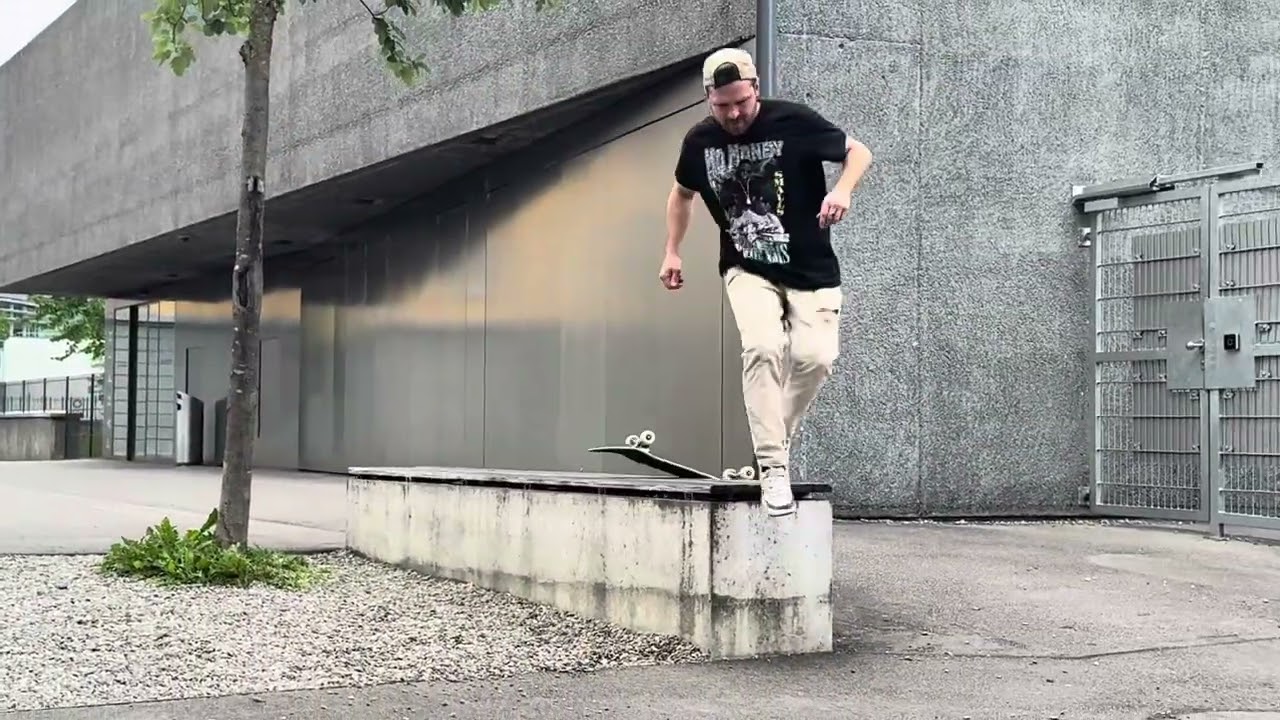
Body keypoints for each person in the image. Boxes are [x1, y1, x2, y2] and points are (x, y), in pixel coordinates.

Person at [660, 47, 873, 517]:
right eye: (722, 106)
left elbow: (858, 152)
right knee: (762, 348)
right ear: (708, 100)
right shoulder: (699, 142)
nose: (734, 114)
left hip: (811, 270)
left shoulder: (793, 121)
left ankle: (765, 451)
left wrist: (841, 189)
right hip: (746, 267)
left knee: (815, 359)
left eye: (741, 102)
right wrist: (673, 250)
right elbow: (681, 194)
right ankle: (774, 468)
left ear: (755, 89)